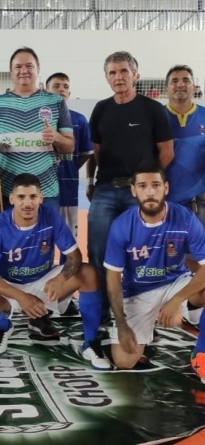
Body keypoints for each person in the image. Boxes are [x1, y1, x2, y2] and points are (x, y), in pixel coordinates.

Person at [0, 174, 110, 370]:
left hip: (42, 282)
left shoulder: (50, 216)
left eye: (32, 197)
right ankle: (3, 328)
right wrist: (22, 297)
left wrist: (61, 279)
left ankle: (91, 344)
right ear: (12, 199)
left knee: (88, 272)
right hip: (10, 287)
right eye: (21, 197)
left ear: (41, 198)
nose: (27, 203)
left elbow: (75, 256)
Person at [88, 51, 174, 324]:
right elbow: (96, 152)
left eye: (124, 71)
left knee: (143, 252)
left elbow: (167, 152)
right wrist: (92, 182)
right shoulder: (101, 109)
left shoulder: (152, 110)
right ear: (106, 78)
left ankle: (140, 309)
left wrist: (147, 185)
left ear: (136, 74)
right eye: (112, 72)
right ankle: (103, 310)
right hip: (106, 190)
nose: (119, 77)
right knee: (98, 250)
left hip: (140, 195)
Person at [105, 162, 205, 381]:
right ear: (133, 190)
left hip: (175, 282)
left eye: (156, 185)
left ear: (166, 188)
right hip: (138, 291)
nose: (150, 192)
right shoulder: (122, 225)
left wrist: (175, 299)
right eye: (142, 186)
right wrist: (121, 323)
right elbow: (112, 279)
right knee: (124, 362)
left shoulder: (185, 218)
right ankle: (144, 333)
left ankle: (201, 353)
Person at [0, 47, 74, 211]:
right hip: (7, 192)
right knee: (10, 237)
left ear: (38, 69)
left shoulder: (56, 102)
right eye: (18, 67)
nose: (24, 71)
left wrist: (56, 137)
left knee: (46, 237)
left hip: (46, 192)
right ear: (11, 71)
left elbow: (70, 147)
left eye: (29, 66)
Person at [164, 65, 205, 327]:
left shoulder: (203, 116)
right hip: (163, 204)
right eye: (175, 80)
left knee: (200, 259)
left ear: (193, 86)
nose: (180, 84)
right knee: (162, 258)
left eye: (185, 80)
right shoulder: (156, 117)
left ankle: (194, 304)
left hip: (196, 203)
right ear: (167, 87)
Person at [45, 73, 92, 239]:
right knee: (44, 241)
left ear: (69, 93)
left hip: (68, 190)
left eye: (65, 87)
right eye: (56, 86)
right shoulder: (36, 119)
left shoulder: (79, 120)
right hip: (42, 191)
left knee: (69, 242)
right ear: (46, 90)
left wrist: (71, 166)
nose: (61, 90)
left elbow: (86, 154)